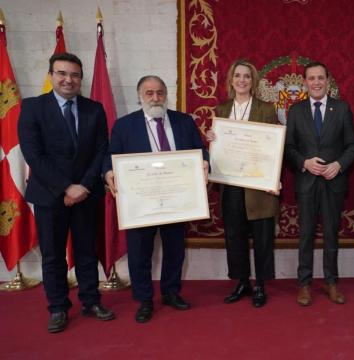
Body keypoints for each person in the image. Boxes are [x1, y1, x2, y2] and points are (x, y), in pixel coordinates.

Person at [18, 52, 115, 333]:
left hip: (86, 194)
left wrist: (82, 186)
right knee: (53, 256)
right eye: (62, 73)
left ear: (81, 79)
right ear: (51, 76)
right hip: (50, 195)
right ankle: (58, 307)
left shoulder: (94, 109)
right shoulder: (33, 107)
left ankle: (91, 301)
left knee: (87, 251)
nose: (68, 79)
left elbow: (101, 150)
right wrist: (65, 187)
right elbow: (33, 154)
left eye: (74, 75)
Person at [103, 75, 209, 323]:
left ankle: (171, 292)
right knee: (140, 252)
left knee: (175, 249)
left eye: (160, 92)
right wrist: (108, 172)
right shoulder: (124, 125)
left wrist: (204, 162)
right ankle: (145, 300)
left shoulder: (184, 122)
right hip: (141, 203)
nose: (155, 97)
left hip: (177, 200)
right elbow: (111, 156)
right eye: (149, 93)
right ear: (140, 96)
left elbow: (199, 150)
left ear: (166, 94)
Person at [205, 60, 279, 308]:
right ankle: (242, 282)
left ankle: (260, 284)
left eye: (247, 76)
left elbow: (274, 146)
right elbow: (219, 151)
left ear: (253, 80)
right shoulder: (222, 109)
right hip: (231, 184)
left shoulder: (267, 109)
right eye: (238, 76)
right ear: (231, 80)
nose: (242, 80)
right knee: (234, 235)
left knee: (262, 236)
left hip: (258, 185)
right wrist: (212, 140)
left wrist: (273, 178)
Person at [284, 61, 354, 306]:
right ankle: (304, 284)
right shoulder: (295, 111)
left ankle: (331, 282)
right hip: (306, 182)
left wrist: (338, 164)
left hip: (333, 182)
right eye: (311, 78)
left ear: (328, 81)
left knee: (330, 234)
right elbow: (288, 148)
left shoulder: (342, 108)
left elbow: (353, 146)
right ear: (305, 82)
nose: (316, 82)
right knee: (305, 234)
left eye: (320, 78)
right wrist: (304, 163)